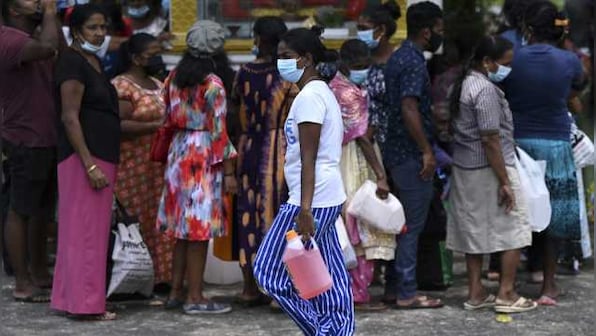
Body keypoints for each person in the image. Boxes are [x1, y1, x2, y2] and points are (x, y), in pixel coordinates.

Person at [253, 27, 354, 335]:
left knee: (268, 273)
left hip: (312, 199)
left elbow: (309, 157)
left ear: (307, 59)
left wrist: (304, 208)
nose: (280, 63)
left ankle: (321, 330)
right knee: (331, 271)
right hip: (325, 194)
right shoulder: (319, 91)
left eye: (287, 57)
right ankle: (340, 329)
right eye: (278, 57)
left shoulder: (310, 97)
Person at [503, 1, 585, 306]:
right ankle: (549, 285)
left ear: (527, 29)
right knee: (555, 219)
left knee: (515, 212)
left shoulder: (512, 58)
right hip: (556, 145)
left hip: (518, 144)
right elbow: (578, 87)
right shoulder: (570, 61)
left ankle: (506, 282)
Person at [447, 35, 537, 313]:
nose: (506, 69)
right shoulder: (484, 90)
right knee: (513, 229)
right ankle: (506, 293)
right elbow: (490, 139)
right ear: (486, 62)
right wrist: (505, 182)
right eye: (504, 63)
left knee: (473, 231)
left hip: (465, 169)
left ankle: (476, 292)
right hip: (489, 169)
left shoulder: (462, 83)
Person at [156, 20, 238, 315]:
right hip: (203, 156)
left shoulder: (173, 78)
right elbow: (219, 132)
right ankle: (196, 297)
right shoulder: (214, 85)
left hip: (178, 153)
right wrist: (229, 173)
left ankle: (175, 292)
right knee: (199, 231)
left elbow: (165, 118)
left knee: (181, 230)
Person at [50, 4, 120, 320]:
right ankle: (87, 305)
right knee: (87, 234)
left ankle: (72, 298)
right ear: (77, 30)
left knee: (83, 231)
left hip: (98, 155)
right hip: (86, 158)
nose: (100, 33)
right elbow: (69, 117)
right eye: (93, 27)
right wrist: (89, 164)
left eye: (103, 27)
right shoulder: (71, 63)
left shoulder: (91, 61)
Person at [382, 1, 444, 309]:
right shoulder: (413, 62)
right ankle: (407, 291)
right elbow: (409, 107)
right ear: (427, 30)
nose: (441, 35)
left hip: (396, 152)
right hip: (409, 155)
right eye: (440, 29)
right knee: (410, 226)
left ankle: (395, 287)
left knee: (400, 224)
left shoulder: (399, 56)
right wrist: (426, 151)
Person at [0, 0, 61, 302]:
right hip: (25, 136)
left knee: (41, 210)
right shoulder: (8, 38)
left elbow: (58, 47)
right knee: (20, 210)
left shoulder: (36, 36)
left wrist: (49, 18)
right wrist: (50, 11)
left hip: (47, 135)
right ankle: (22, 282)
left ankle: (39, 272)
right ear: (12, 9)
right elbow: (50, 48)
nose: (37, 1)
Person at [231, 16, 291, 306]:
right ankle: (278, 289)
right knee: (278, 214)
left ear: (257, 39)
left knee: (249, 213)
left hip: (249, 147)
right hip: (280, 149)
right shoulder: (288, 75)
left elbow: (235, 113)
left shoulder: (243, 72)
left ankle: (249, 287)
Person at [329, 39, 392, 311]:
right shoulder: (349, 93)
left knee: (345, 223)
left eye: (365, 66)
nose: (363, 71)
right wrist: (380, 174)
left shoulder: (333, 86)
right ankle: (357, 293)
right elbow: (363, 139)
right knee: (360, 222)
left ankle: (344, 290)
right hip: (354, 158)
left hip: (337, 158)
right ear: (343, 64)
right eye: (358, 66)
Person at [111, 33, 172, 289]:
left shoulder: (158, 83)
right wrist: (157, 126)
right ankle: (135, 278)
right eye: (152, 53)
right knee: (136, 220)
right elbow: (120, 124)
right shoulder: (122, 85)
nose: (157, 57)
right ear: (136, 58)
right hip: (133, 166)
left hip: (159, 167)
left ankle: (162, 277)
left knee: (159, 219)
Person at [356, 0, 401, 148]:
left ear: (381, 29)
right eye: (358, 28)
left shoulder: (400, 60)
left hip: (393, 143)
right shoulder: (357, 60)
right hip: (360, 143)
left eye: (364, 28)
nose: (360, 33)